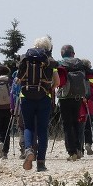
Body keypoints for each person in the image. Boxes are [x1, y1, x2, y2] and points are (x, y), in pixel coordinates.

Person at [17, 36, 58, 172]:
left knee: (28, 126)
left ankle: (28, 149)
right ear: (48, 48)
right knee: (42, 130)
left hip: (26, 97)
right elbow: (57, 82)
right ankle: (41, 163)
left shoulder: (25, 59)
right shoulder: (50, 61)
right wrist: (49, 88)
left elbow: (18, 78)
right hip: (43, 98)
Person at [55, 44, 90, 161]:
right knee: (76, 123)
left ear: (62, 54)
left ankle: (72, 152)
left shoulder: (60, 63)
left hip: (65, 97)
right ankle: (79, 149)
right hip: (78, 96)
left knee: (67, 125)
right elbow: (89, 75)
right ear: (73, 53)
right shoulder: (79, 63)